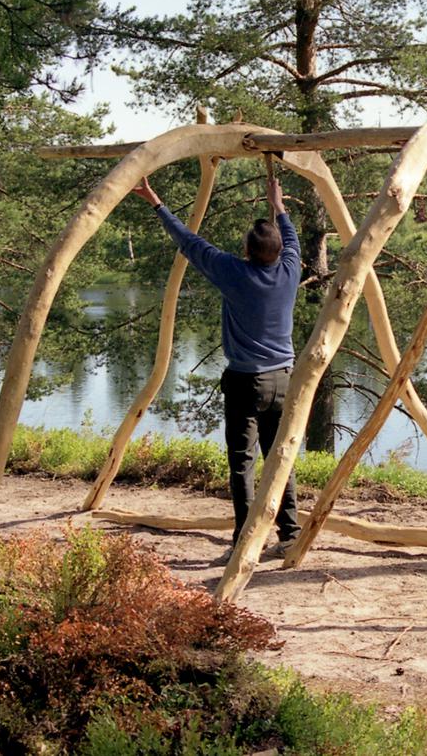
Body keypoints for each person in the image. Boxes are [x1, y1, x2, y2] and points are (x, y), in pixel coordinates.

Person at [130, 173, 301, 562]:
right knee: (279, 458)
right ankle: (290, 534)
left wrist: (155, 201)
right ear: (277, 251)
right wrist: (279, 205)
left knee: (243, 463)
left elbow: (189, 243)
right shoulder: (291, 269)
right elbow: (289, 238)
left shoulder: (234, 273)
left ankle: (244, 543)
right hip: (285, 380)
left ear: (246, 249)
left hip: (247, 381)